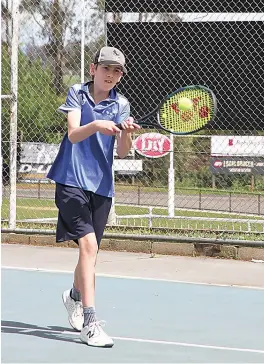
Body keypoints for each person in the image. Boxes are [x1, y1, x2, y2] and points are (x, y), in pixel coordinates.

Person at [47, 46, 140, 347]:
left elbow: (123, 152)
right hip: (70, 179)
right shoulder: (77, 93)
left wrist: (125, 132)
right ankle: (90, 320)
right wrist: (97, 125)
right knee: (88, 246)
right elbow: (74, 134)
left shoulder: (121, 104)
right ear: (93, 69)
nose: (111, 75)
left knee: (90, 253)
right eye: (106, 68)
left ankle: (74, 295)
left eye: (117, 71)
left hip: (101, 186)